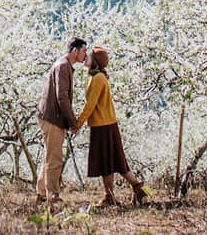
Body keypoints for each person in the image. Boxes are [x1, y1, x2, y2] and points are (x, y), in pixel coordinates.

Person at [74, 46, 151, 207]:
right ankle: (132, 190)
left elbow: (90, 105)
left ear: (95, 61)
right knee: (112, 161)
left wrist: (78, 123)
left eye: (89, 55)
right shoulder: (99, 77)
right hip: (107, 124)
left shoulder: (97, 79)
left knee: (109, 161)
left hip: (102, 125)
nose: (85, 56)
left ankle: (114, 195)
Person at [35, 37, 86, 206]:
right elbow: (62, 97)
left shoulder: (63, 64)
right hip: (53, 118)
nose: (85, 54)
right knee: (55, 158)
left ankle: (42, 193)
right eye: (83, 50)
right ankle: (53, 196)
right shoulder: (63, 66)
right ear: (75, 51)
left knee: (50, 155)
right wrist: (72, 121)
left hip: (49, 116)